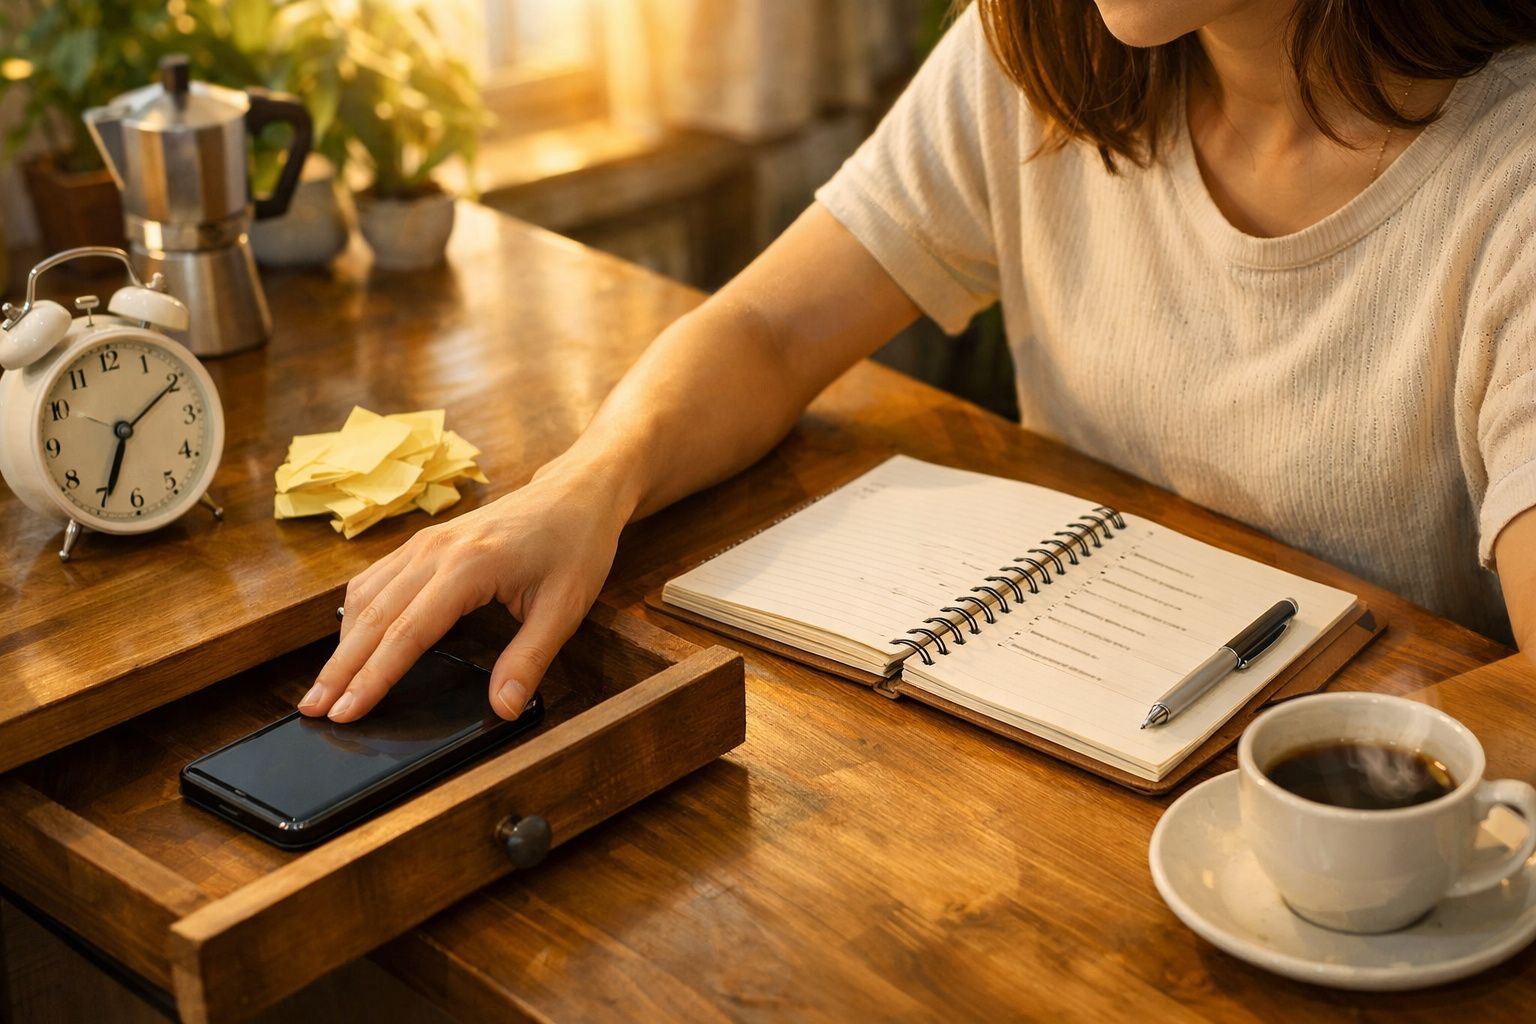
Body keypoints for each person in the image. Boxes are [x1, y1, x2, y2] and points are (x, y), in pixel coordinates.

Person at [299, 0, 1536, 724]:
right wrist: (582, 486)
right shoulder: (1042, 56)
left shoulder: (1510, 177)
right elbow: (771, 331)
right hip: (1035, 768)